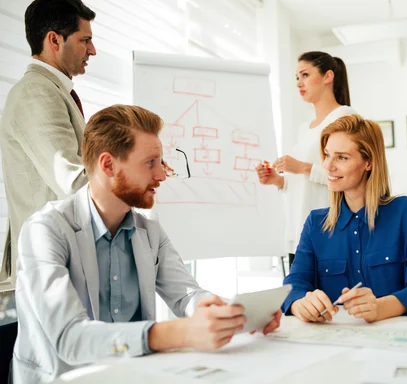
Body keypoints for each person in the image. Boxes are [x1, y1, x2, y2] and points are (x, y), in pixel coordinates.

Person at [12, 105, 281, 384]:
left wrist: (236, 315)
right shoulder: (44, 230)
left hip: (133, 376)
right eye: (150, 163)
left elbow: (186, 296)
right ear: (108, 165)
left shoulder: (148, 228)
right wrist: (180, 332)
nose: (162, 175)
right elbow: (70, 337)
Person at [281, 114, 407, 323]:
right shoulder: (315, 223)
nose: (328, 166)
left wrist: (380, 307)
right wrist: (299, 303)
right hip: (335, 344)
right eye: (327, 155)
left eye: (342, 157)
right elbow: (293, 286)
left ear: (369, 162)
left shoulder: (405, 211)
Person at [0, 0, 96, 285]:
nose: (93, 50)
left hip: (57, 265)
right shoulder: (37, 93)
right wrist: (133, 176)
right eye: (84, 40)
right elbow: (73, 181)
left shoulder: (53, 91)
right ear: (54, 40)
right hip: (48, 270)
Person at [255, 51, 357, 265]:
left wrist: (301, 166)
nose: (299, 83)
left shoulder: (345, 118)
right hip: (299, 233)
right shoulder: (305, 128)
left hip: (328, 233)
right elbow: (304, 184)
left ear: (327, 76)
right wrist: (279, 180)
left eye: (305, 75)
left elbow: (349, 175)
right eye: (297, 77)